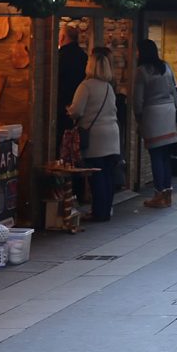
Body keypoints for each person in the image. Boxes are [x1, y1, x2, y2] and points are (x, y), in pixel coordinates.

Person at [68, 47, 121, 222]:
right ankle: (106, 210)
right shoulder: (108, 87)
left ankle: (98, 212)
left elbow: (77, 110)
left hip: (95, 136)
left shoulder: (85, 86)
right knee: (107, 175)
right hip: (112, 135)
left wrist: (68, 111)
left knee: (97, 175)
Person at [134, 39, 177, 209]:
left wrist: (138, 117)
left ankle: (158, 193)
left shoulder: (141, 71)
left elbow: (138, 99)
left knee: (155, 155)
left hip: (152, 113)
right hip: (168, 112)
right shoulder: (166, 67)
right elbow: (174, 90)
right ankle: (167, 193)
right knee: (165, 156)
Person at [57, 23, 88, 143]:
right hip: (79, 106)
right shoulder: (83, 56)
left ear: (63, 37)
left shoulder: (59, 57)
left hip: (61, 106)